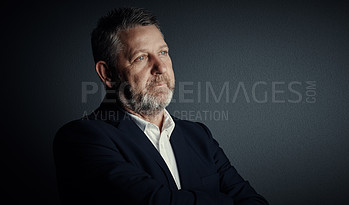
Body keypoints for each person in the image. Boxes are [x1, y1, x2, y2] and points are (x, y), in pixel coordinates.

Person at [53, 7, 268, 205]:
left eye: (163, 52)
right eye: (141, 57)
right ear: (107, 74)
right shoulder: (81, 138)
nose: (160, 68)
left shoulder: (199, 135)